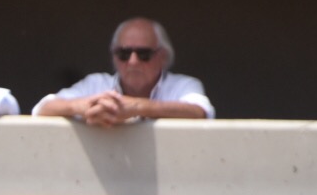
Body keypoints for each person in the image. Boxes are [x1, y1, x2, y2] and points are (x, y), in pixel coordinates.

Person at [33, 17, 214, 125]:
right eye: (123, 54)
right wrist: (83, 106)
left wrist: (135, 107)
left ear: (163, 56)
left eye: (143, 54)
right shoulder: (96, 84)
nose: (133, 62)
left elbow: (199, 112)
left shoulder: (184, 85)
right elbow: (42, 108)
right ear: (113, 57)